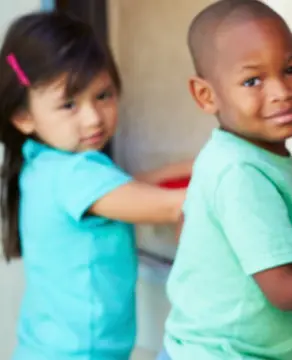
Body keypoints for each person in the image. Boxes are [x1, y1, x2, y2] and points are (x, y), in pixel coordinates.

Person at [160, 1, 292, 359]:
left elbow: (266, 224)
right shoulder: (241, 172)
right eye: (253, 80)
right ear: (206, 95)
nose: (281, 91)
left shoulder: (240, 154)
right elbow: (286, 289)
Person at [0, 12, 191, 360]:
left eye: (103, 95)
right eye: (69, 104)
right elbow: (171, 206)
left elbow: (126, 190)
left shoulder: (43, 161)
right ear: (23, 117)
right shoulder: (75, 174)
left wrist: (187, 166)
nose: (93, 118)